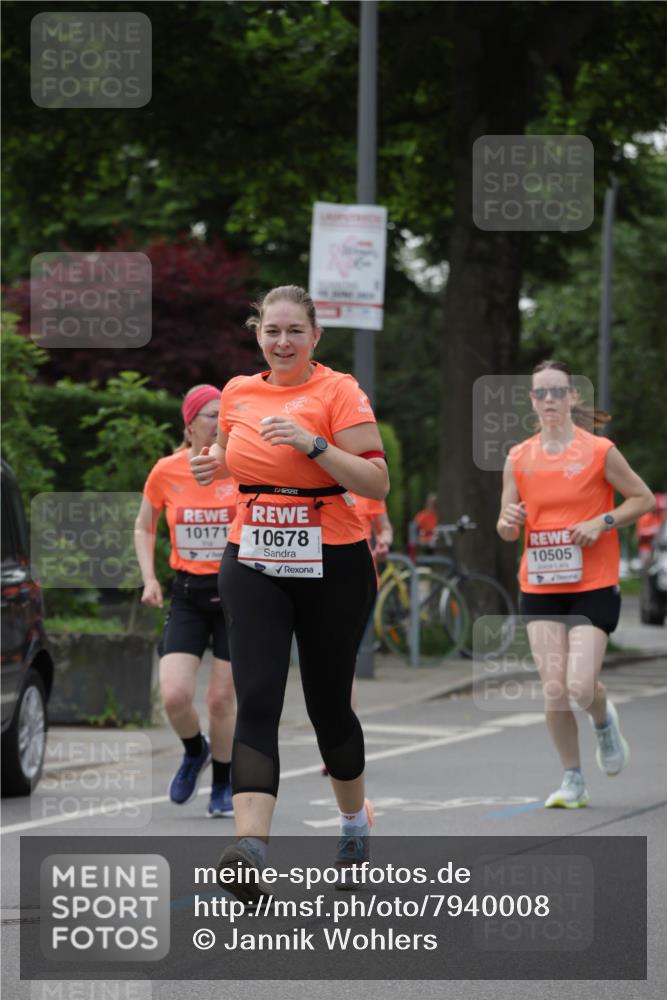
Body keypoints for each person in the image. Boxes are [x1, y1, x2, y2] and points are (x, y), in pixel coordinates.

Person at [191, 285, 389, 898]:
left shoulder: (339, 391)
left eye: (294, 331)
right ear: (257, 334)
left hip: (333, 557)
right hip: (253, 556)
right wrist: (213, 464)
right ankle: (251, 848)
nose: (282, 342)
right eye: (271, 331)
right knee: (257, 700)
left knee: (329, 708)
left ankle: (354, 820)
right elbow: (237, 454)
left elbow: (377, 479)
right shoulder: (239, 393)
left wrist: (314, 443)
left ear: (314, 337)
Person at [497, 360, 655, 808]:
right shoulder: (519, 457)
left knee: (581, 686)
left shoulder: (599, 451)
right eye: (540, 394)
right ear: (531, 401)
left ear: (572, 398)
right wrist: (508, 522)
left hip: (593, 582)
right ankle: (573, 780)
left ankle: (604, 724)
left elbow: (641, 498)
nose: (548, 400)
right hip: (541, 583)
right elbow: (508, 526)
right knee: (554, 688)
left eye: (557, 392)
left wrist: (602, 521)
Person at [134, 385, 237, 818]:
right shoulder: (167, 470)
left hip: (237, 594)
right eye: (212, 415)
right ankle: (195, 751)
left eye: (224, 415)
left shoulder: (239, 468)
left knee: (219, 700)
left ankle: (223, 781)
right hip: (189, 594)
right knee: (174, 695)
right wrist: (150, 578)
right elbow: (144, 527)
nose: (219, 423)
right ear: (190, 423)